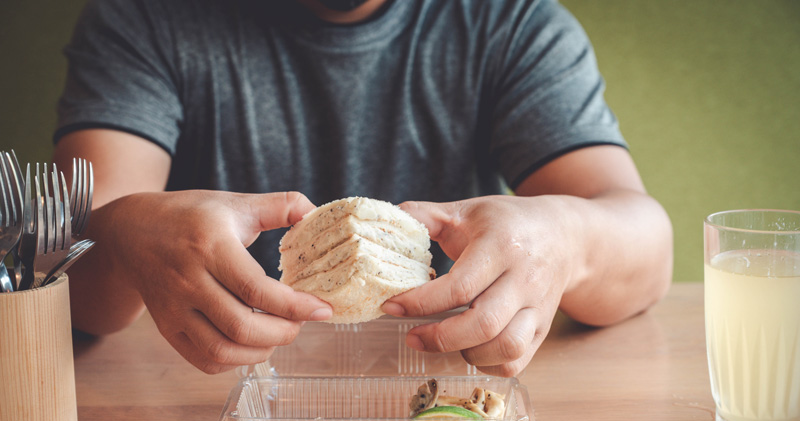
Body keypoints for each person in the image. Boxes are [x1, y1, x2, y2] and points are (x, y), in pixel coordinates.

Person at [53, 0, 673, 376]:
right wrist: (121, 232)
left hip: (441, 397)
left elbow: (648, 250)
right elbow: (62, 274)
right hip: (203, 416)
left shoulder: (510, 23)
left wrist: (563, 240)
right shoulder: (145, 17)